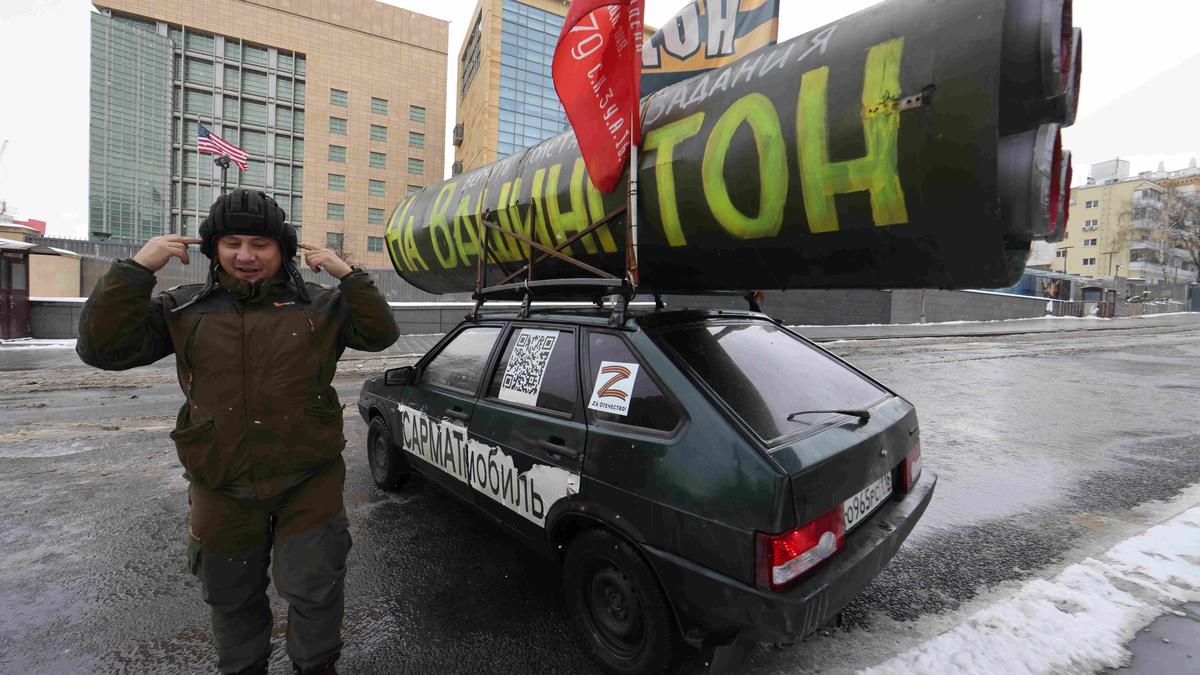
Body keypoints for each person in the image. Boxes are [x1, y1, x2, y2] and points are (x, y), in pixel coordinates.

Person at [76, 189, 400, 674]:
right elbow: (103, 349)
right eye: (232, 243)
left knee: (314, 587)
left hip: (307, 479)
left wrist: (349, 275)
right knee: (230, 595)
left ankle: (316, 667)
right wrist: (136, 270)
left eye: (260, 244)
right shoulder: (184, 308)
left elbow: (380, 335)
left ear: (283, 250)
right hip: (220, 482)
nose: (245, 256)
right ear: (214, 249)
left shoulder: (319, 305)